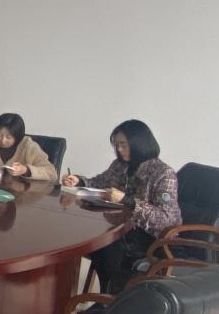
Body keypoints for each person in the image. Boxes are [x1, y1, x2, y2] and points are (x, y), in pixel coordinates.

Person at [62, 119, 181, 294]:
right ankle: (100, 296)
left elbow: (166, 219)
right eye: (116, 145)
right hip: (123, 228)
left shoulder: (164, 174)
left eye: (123, 145)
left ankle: (110, 298)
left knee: (105, 243)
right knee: (85, 234)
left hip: (150, 238)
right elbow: (100, 182)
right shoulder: (120, 165)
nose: (118, 150)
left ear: (139, 143)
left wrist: (127, 200)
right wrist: (79, 181)